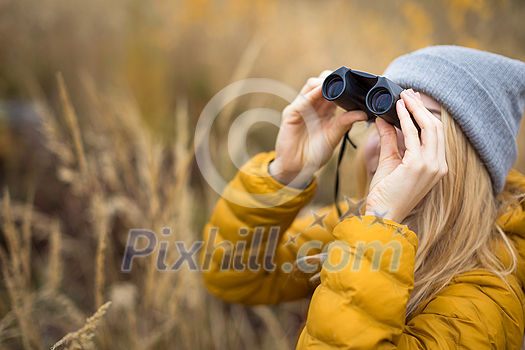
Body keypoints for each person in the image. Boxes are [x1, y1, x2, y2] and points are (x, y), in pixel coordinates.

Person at [200, 46, 525, 349]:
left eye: (413, 124)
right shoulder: (357, 223)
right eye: (377, 121)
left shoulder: (488, 298)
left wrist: (378, 227)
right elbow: (233, 277)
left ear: (467, 160)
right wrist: (285, 175)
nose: (379, 145)